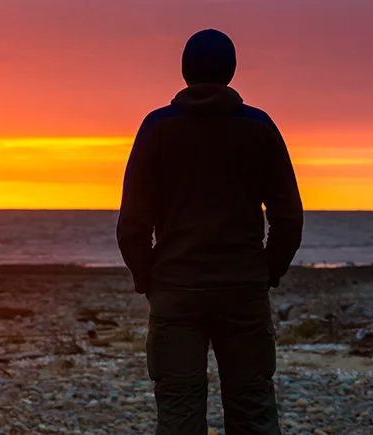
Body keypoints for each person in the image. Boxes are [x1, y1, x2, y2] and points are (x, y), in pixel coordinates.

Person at [117, 29, 304, 435]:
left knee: (179, 411)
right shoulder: (259, 127)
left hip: (176, 290)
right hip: (242, 289)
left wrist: (148, 278)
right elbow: (288, 218)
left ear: (184, 72)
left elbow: (132, 224)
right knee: (252, 407)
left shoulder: (157, 128)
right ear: (232, 71)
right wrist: (267, 271)